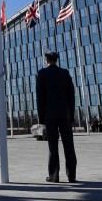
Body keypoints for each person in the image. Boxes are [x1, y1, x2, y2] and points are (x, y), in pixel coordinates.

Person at [36, 50, 77, 183]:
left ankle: (54, 176)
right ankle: (71, 176)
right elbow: (71, 96)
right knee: (69, 145)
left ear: (46, 60)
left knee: (53, 146)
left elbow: (40, 97)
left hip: (50, 115)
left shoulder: (42, 73)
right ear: (56, 60)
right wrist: (71, 114)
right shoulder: (65, 73)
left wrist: (41, 118)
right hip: (64, 114)